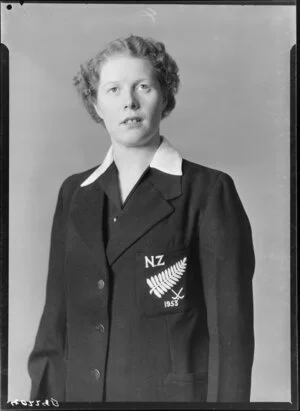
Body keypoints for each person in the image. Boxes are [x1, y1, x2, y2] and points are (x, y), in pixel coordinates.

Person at [27, 35, 255, 403]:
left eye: (143, 87)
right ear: (96, 104)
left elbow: (232, 337)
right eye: (113, 89)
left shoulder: (209, 191)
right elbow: (53, 327)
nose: (129, 102)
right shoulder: (74, 193)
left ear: (165, 97)